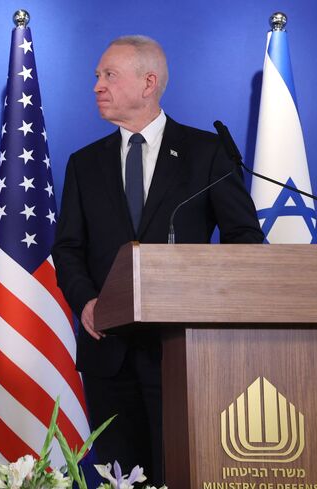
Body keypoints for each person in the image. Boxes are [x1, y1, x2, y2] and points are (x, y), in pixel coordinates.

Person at [51, 35, 263, 483]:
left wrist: (208, 302)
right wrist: (87, 302)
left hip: (184, 351)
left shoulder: (207, 154)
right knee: (118, 477)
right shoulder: (83, 163)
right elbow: (67, 248)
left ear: (148, 83)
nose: (97, 86)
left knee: (182, 471)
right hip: (108, 353)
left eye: (108, 75)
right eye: (96, 77)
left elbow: (244, 238)